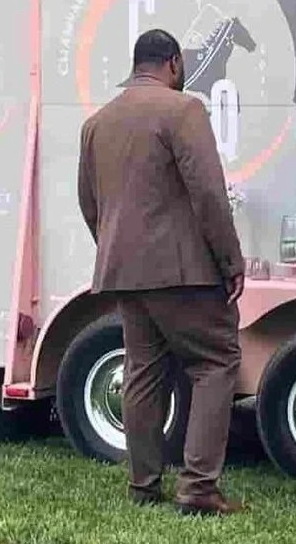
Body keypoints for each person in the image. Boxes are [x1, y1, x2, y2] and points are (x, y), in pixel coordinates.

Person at [77, 27, 247, 515]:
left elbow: (90, 203)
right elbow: (209, 194)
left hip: (124, 270)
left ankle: (143, 485)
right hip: (183, 270)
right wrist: (230, 261)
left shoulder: (96, 122)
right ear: (173, 62)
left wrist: (116, 249)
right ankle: (198, 488)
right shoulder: (184, 109)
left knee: (143, 372)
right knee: (215, 362)